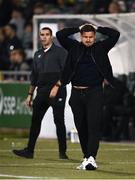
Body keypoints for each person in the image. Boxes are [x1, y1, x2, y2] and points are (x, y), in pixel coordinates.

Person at [54, 24, 120, 170]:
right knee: (81, 127)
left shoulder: (101, 48)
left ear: (94, 37)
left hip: (94, 92)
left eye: (91, 37)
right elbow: (60, 35)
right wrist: (77, 27)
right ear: (81, 36)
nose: (88, 40)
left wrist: (98, 27)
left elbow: (115, 35)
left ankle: (91, 158)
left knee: (93, 126)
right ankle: (86, 158)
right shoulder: (73, 47)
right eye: (85, 37)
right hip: (76, 93)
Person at [12, 27, 68, 159]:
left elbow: (67, 71)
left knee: (59, 121)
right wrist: (30, 94)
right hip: (41, 92)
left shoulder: (60, 52)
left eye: (47, 35)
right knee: (35, 121)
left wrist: (57, 86)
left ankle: (62, 153)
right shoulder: (37, 54)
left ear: (51, 36)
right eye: (42, 35)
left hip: (57, 91)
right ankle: (29, 151)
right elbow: (34, 77)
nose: (44, 37)